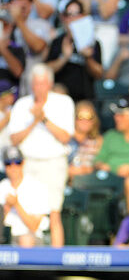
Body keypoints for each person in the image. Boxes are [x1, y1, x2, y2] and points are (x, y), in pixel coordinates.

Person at [8, 64, 75, 247]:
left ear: (50, 84)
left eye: (42, 83)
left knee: (54, 211)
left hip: (53, 162)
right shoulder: (22, 105)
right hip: (28, 162)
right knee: (28, 209)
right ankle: (28, 251)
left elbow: (65, 137)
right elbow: (14, 139)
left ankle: (57, 255)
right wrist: (34, 121)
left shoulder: (63, 102)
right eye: (35, 83)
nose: (38, 87)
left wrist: (43, 119)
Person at [94, 98, 129, 211]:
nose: (116, 118)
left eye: (121, 115)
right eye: (116, 115)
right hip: (110, 182)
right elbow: (98, 161)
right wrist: (113, 168)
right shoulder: (110, 135)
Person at [45, 0, 103, 102]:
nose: (73, 19)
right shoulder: (58, 41)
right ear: (63, 18)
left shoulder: (93, 42)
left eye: (76, 14)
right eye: (69, 14)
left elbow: (99, 74)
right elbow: (46, 70)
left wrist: (88, 57)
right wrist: (64, 57)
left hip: (85, 98)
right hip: (60, 98)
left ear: (82, 16)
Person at [77, 0, 122, 68]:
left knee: (104, 62)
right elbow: (83, 13)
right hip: (88, 29)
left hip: (107, 29)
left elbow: (105, 13)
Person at [0, 146, 50, 247]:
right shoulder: (2, 186)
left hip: (31, 237)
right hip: (5, 236)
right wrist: (7, 207)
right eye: (8, 163)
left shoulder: (36, 187)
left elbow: (34, 226)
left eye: (17, 162)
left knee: (25, 239)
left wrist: (16, 205)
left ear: (23, 163)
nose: (13, 167)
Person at [68, 100, 102, 178]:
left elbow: (101, 165)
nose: (84, 120)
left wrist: (86, 170)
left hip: (89, 181)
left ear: (94, 120)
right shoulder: (65, 139)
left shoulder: (99, 141)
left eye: (89, 117)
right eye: (80, 116)